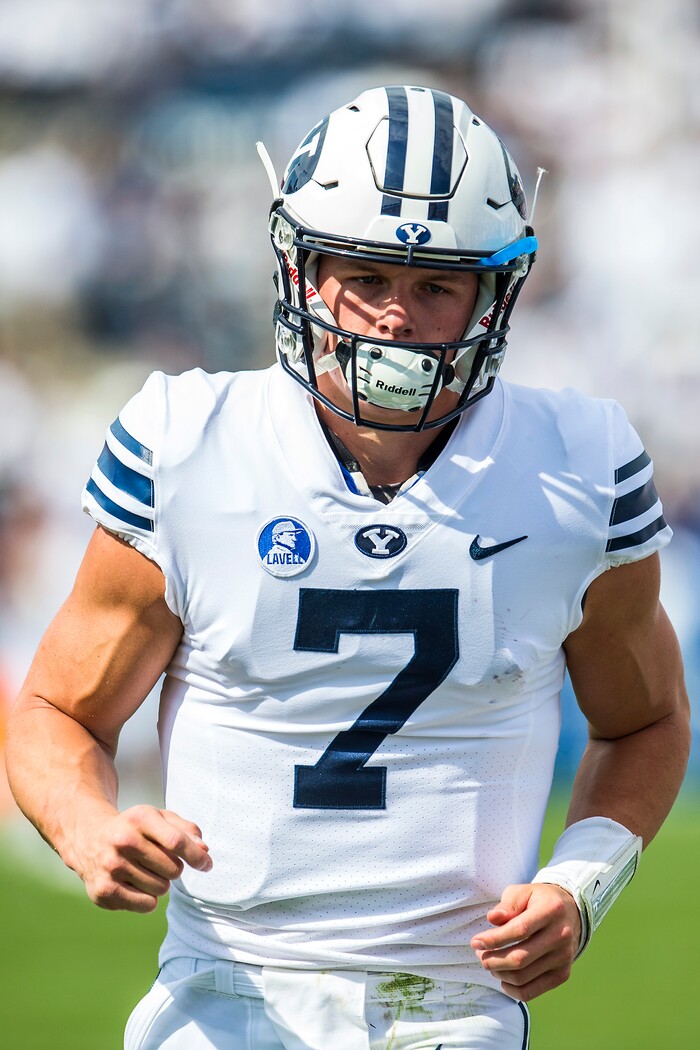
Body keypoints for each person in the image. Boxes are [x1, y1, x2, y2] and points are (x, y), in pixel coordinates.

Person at [6, 85, 690, 1050]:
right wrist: (89, 827)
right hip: (225, 993)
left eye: (436, 284)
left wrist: (584, 884)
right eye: (366, 274)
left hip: (456, 1006)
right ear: (301, 269)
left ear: (495, 292)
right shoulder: (189, 447)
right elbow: (56, 713)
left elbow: (648, 720)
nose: (397, 316)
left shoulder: (576, 468)